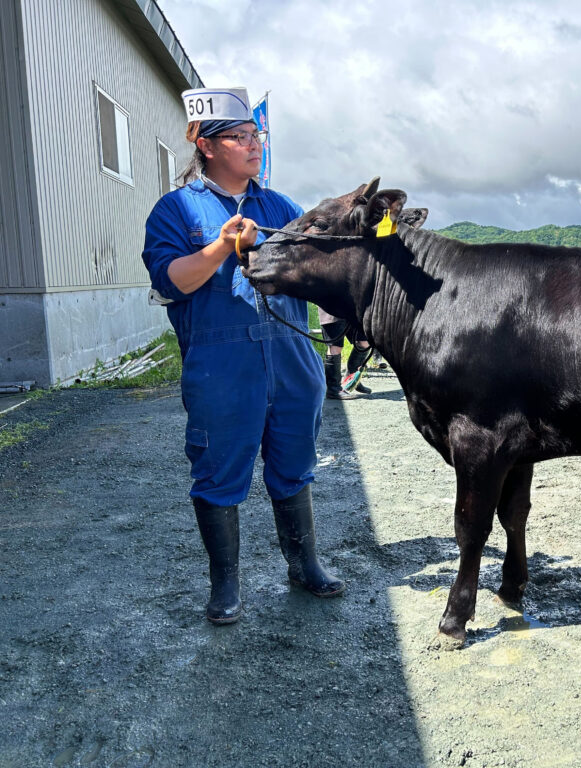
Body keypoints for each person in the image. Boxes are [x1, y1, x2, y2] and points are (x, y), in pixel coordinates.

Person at [142, 86, 344, 625]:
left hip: (291, 358)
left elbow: (320, 275)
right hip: (221, 366)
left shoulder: (280, 207)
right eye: (238, 137)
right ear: (206, 145)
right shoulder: (176, 209)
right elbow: (171, 280)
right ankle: (225, 586)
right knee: (218, 473)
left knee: (295, 467)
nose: (252, 146)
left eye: (255, 135)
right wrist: (220, 247)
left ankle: (304, 565)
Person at [318, 308, 373, 400]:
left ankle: (351, 378)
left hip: (353, 312)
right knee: (335, 347)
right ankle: (334, 389)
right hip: (332, 311)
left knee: (364, 343)